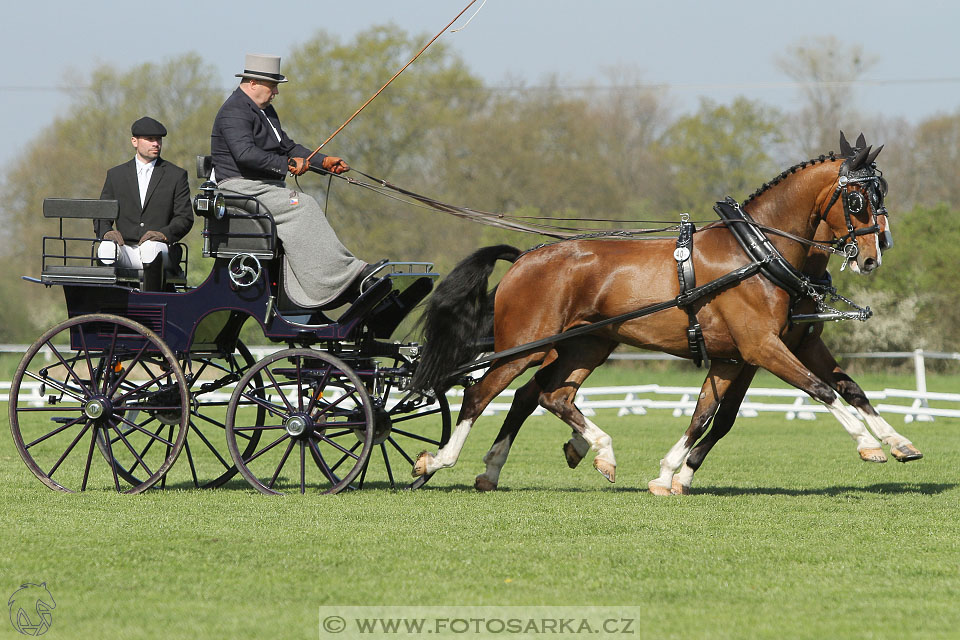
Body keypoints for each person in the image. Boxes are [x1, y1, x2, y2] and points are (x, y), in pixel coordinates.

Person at [210, 53, 379, 309]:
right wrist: (287, 165)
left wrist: (321, 162)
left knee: (301, 203)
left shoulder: (264, 111)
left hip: (264, 187)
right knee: (302, 205)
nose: (276, 91)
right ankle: (338, 280)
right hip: (239, 186)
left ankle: (326, 280)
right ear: (253, 83)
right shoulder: (234, 112)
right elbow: (245, 155)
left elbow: (287, 147)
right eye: (272, 85)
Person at [96, 117, 193, 290]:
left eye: (159, 140)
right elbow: (102, 214)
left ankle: (150, 304)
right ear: (134, 141)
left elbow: (184, 218)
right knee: (106, 249)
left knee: (150, 248)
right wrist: (107, 232)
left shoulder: (176, 175)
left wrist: (163, 234)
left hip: (159, 250)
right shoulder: (115, 175)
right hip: (125, 248)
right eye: (150, 139)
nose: (156, 144)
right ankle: (109, 304)